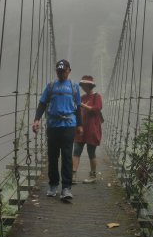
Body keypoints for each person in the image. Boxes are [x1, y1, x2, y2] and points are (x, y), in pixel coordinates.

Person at [32, 59, 82, 201]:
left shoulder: (74, 86)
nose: (61, 74)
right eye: (59, 71)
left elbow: (78, 107)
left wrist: (80, 125)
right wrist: (36, 120)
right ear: (56, 71)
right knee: (53, 157)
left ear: (69, 71)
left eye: (64, 71)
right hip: (53, 125)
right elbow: (42, 104)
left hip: (68, 125)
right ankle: (53, 185)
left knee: (66, 157)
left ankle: (66, 188)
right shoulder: (51, 86)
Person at [72, 75, 103, 184]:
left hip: (92, 128)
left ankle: (93, 176)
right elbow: (76, 110)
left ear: (90, 85)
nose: (83, 87)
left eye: (85, 85)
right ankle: (73, 175)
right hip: (81, 127)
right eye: (82, 85)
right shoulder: (82, 97)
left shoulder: (97, 97)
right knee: (76, 151)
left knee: (91, 152)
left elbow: (96, 109)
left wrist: (82, 105)